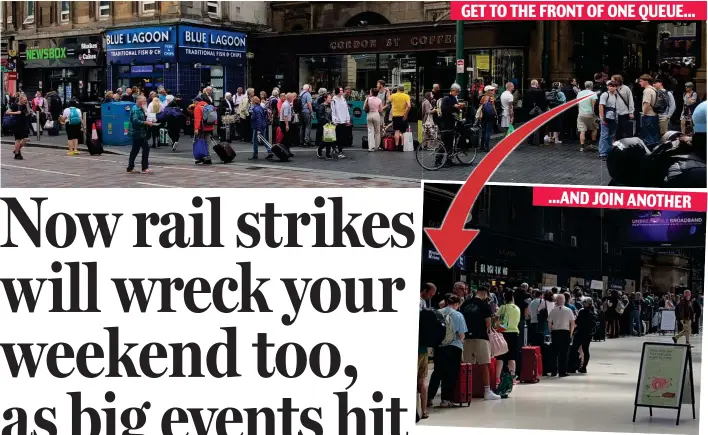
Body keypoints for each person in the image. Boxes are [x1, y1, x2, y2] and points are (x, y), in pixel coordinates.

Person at [459, 287, 501, 400]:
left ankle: (466, 390)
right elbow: (488, 324)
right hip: (481, 337)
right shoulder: (484, 304)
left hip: (466, 338)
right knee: (484, 364)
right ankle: (487, 391)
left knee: (467, 365)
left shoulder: (465, 304)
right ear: (486, 294)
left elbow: (460, 319)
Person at [426, 294, 467, 408]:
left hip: (439, 347)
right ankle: (446, 400)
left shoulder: (437, 312)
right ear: (457, 304)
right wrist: (462, 341)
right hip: (454, 347)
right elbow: (461, 334)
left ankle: (429, 398)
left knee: (437, 372)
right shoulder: (458, 315)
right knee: (450, 373)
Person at [495, 290, 520, 382]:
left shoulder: (503, 307)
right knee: (512, 357)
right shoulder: (517, 308)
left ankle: (497, 378)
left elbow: (496, 318)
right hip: (514, 333)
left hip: (503, 333)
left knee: (500, 356)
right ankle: (513, 378)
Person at [548, 293, 574, 377]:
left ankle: (553, 371)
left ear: (556, 301)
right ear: (564, 300)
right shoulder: (568, 310)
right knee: (564, 353)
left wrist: (551, 331)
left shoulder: (553, 310)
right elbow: (572, 323)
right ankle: (562, 372)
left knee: (554, 353)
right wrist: (571, 333)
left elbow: (549, 322)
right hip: (565, 332)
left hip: (555, 332)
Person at [126, 95, 154, 174]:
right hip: (138, 133)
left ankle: (130, 167)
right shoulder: (136, 109)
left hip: (139, 132)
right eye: (144, 100)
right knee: (145, 149)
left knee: (135, 150)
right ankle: (144, 168)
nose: (146, 102)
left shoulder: (140, 108)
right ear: (140, 101)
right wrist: (146, 122)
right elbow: (135, 121)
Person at [439, 84, 465, 159]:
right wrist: (454, 106)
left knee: (450, 141)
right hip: (446, 122)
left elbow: (455, 108)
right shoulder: (446, 98)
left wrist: (459, 107)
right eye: (456, 92)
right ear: (452, 90)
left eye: (458, 92)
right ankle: (439, 159)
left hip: (452, 122)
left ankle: (449, 159)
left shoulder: (453, 98)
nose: (457, 93)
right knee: (445, 141)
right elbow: (444, 109)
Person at [571, 298, 596, 374]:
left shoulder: (582, 311)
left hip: (580, 333)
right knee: (586, 350)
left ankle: (573, 366)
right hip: (588, 334)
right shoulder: (594, 312)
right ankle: (584, 367)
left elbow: (577, 321)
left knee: (574, 349)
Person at [598, 81, 619, 161]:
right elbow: (601, 106)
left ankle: (609, 151)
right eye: (609, 86)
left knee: (611, 135)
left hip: (613, 117)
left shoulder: (616, 95)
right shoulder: (605, 95)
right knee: (604, 135)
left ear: (616, 87)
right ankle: (603, 153)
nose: (611, 88)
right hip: (606, 116)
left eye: (613, 86)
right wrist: (602, 117)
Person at [523, 79, 547, 145]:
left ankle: (530, 140)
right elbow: (544, 103)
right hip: (539, 111)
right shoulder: (541, 92)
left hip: (529, 112)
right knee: (541, 126)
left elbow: (524, 104)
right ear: (537, 84)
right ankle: (540, 141)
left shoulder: (526, 92)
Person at [6, 94, 30, 160]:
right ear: (21, 99)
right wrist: (16, 112)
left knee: (25, 138)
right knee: (18, 139)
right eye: (24, 100)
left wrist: (27, 105)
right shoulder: (14, 105)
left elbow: (28, 113)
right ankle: (17, 154)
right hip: (16, 124)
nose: (26, 101)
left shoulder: (24, 105)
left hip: (23, 124)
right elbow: (7, 112)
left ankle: (16, 150)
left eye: (26, 100)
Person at [193, 96, 216, 164]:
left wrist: (196, 129)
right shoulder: (208, 106)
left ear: (197, 101)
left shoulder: (198, 107)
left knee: (200, 142)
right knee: (207, 142)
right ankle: (208, 157)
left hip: (202, 128)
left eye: (194, 101)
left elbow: (197, 119)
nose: (194, 103)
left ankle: (202, 157)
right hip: (209, 127)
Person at [249, 96, 272, 161]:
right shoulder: (260, 108)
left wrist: (258, 129)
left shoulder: (255, 109)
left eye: (251, 101)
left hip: (257, 127)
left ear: (254, 102)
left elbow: (258, 119)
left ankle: (255, 154)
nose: (251, 102)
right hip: (262, 126)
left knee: (255, 141)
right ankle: (269, 151)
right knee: (264, 139)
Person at [639, 74, 659, 145]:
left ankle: (650, 152)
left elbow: (646, 103)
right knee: (654, 135)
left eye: (641, 81)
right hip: (654, 115)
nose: (639, 83)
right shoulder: (654, 89)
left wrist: (644, 113)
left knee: (648, 136)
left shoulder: (647, 90)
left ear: (646, 81)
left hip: (648, 115)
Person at [389, 84, 411, 150]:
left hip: (395, 116)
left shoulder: (393, 96)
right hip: (403, 116)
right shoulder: (406, 96)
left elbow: (388, 100)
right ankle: (402, 146)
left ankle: (396, 145)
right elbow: (409, 106)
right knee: (403, 131)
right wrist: (406, 114)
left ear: (397, 89)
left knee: (397, 131)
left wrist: (388, 92)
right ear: (403, 89)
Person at [331, 88, 350, 159]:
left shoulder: (343, 99)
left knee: (341, 136)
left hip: (343, 120)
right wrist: (334, 120)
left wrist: (347, 119)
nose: (342, 91)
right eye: (341, 90)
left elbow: (346, 109)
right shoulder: (334, 100)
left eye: (342, 90)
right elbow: (333, 111)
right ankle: (338, 150)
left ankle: (338, 149)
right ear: (338, 92)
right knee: (337, 136)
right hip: (337, 121)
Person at [316, 93, 334, 159]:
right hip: (324, 124)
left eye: (330, 98)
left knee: (329, 139)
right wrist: (327, 121)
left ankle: (327, 154)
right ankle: (320, 149)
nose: (330, 99)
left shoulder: (330, 105)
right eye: (329, 98)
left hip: (329, 123)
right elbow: (321, 116)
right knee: (326, 139)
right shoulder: (322, 106)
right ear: (325, 99)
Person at [479, 85, 497, 152]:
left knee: (483, 131)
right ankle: (487, 147)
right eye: (492, 90)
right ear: (488, 91)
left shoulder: (482, 97)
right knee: (488, 131)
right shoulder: (491, 98)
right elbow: (493, 107)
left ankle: (481, 146)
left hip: (483, 116)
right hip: (490, 116)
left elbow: (480, 106)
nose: (493, 91)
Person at [364, 88, 383, 152]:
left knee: (370, 131)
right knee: (377, 132)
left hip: (369, 115)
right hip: (376, 115)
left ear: (371, 93)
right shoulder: (379, 100)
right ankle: (377, 146)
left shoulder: (368, 99)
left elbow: (364, 108)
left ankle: (371, 147)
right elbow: (381, 110)